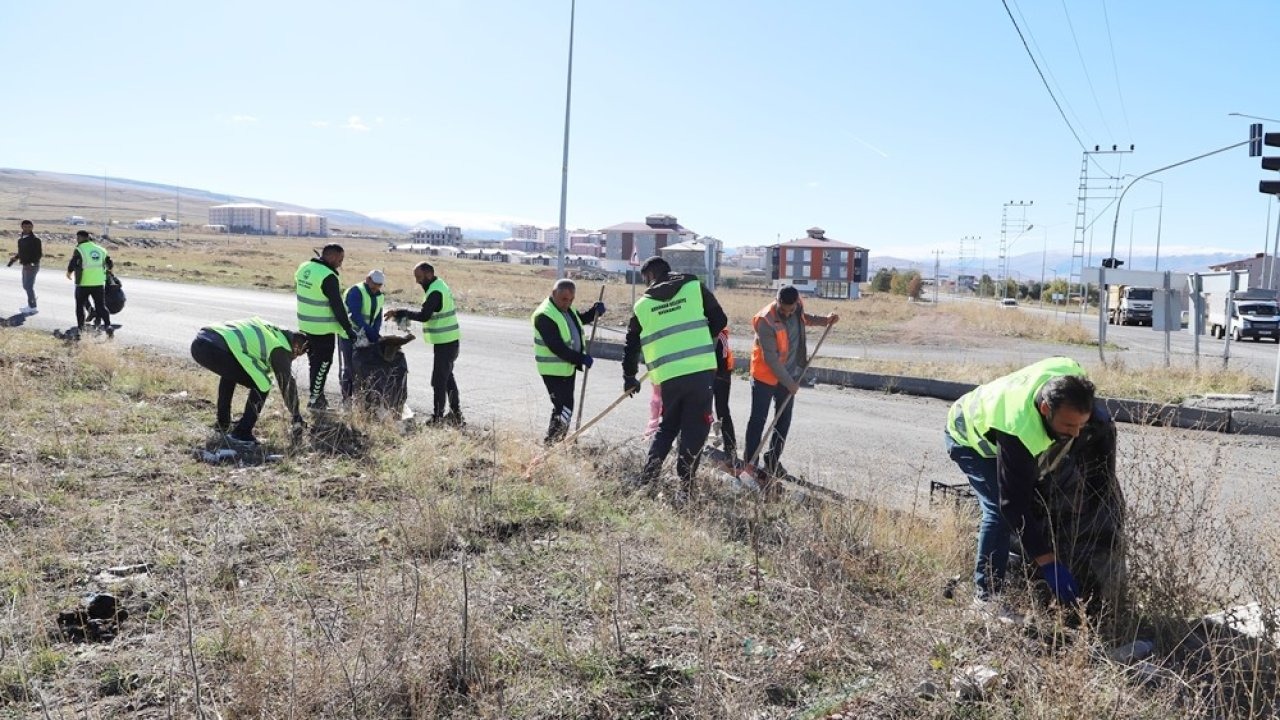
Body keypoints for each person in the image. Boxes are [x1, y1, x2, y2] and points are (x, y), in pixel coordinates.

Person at [944, 356, 1104, 609]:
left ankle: (1013, 557)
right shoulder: (1018, 430)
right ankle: (986, 600)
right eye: (1068, 425)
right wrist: (1048, 563)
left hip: (1004, 415)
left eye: (1080, 424)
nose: (1075, 433)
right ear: (1045, 409)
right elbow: (1012, 505)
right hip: (968, 438)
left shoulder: (1069, 371)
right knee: (998, 511)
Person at [622, 256, 727, 499]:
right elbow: (720, 320)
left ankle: (647, 482)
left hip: (669, 376)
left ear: (650, 276)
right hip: (699, 371)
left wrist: (629, 376)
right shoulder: (694, 286)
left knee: (667, 427)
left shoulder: (642, 305)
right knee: (695, 428)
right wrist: (700, 338)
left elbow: (631, 345)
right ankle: (686, 489)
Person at [742, 285, 838, 483]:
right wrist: (790, 383)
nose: (787, 313)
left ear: (796, 303)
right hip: (765, 377)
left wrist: (825, 320)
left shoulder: (797, 307)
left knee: (783, 421)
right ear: (777, 301)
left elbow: (804, 318)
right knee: (758, 421)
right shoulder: (765, 320)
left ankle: (772, 462)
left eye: (791, 309)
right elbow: (771, 359)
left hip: (789, 375)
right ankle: (750, 464)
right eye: (783, 309)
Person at [190, 317, 307, 446]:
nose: (294, 357)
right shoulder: (281, 346)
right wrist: (296, 415)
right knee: (263, 383)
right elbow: (287, 383)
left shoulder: (273, 331)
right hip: (214, 348)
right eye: (298, 354)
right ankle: (242, 433)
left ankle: (223, 423)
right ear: (296, 346)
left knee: (230, 373)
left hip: (203, 340)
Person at [385, 262, 464, 425]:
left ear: (429, 274)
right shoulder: (439, 285)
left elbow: (424, 316)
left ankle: (438, 418)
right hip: (448, 341)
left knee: (439, 381)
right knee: (447, 378)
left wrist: (401, 312)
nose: (417, 281)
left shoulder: (435, 291)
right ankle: (456, 415)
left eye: (419, 277)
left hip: (446, 343)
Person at [531, 278, 605, 444]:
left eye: (571, 300)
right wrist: (580, 358)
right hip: (553, 371)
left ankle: (556, 443)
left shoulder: (567, 309)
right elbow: (557, 347)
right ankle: (552, 444)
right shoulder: (544, 315)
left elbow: (578, 321)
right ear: (554, 294)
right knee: (563, 408)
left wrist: (594, 312)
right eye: (564, 299)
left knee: (565, 408)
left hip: (566, 368)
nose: (567, 303)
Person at [295, 244, 355, 410]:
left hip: (306, 325)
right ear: (332, 257)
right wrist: (348, 329)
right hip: (322, 329)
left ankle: (317, 397)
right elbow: (337, 306)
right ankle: (315, 401)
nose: (340, 264)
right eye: (340, 260)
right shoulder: (328, 276)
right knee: (322, 365)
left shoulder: (304, 267)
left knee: (314, 363)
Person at [339, 269, 386, 403]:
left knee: (364, 369)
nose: (376, 288)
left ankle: (361, 401)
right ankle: (346, 401)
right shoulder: (356, 291)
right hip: (350, 335)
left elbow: (378, 317)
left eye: (379, 285)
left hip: (366, 336)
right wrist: (371, 332)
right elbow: (354, 315)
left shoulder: (379, 296)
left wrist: (374, 333)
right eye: (374, 284)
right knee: (349, 369)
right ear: (368, 279)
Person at [65, 230, 113, 331]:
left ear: (84, 238)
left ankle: (81, 328)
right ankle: (108, 325)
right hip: (98, 283)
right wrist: (108, 272)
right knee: (101, 306)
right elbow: (109, 263)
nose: (77, 240)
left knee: (80, 306)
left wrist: (69, 272)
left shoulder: (79, 249)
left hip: (83, 283)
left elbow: (73, 262)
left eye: (78, 238)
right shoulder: (101, 250)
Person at [711, 327, 737, 460]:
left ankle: (730, 447)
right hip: (710, 375)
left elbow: (723, 358)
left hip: (721, 376)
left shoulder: (721, 335)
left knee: (722, 411)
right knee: (700, 409)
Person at [9, 220, 42, 314]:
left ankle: (33, 307)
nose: (27, 228)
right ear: (22, 227)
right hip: (25, 265)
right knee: (26, 286)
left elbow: (39, 254)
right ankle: (32, 299)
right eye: (25, 227)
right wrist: (14, 259)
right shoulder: (21, 239)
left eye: (29, 227)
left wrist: (32, 263)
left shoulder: (35, 239)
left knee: (28, 286)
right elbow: (20, 252)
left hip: (32, 266)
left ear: (32, 227)